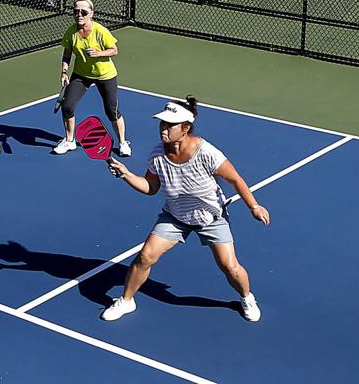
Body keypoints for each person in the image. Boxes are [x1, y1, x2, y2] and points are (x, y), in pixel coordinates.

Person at [102, 96, 270, 323]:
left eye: (170, 125)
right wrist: (127, 175)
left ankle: (246, 297)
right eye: (162, 123)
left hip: (210, 217)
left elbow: (236, 180)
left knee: (229, 267)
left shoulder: (206, 152)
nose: (164, 128)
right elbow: (151, 187)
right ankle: (127, 300)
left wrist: (254, 206)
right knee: (145, 257)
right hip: (175, 216)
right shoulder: (157, 154)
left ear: (185, 128)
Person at [56, 0, 130, 157]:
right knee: (67, 106)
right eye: (76, 12)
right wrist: (64, 72)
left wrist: (99, 54)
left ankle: (123, 142)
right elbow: (67, 54)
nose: (79, 15)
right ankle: (69, 141)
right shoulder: (71, 33)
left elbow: (114, 50)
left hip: (105, 75)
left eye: (84, 12)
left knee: (111, 110)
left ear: (91, 13)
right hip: (81, 75)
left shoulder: (100, 31)